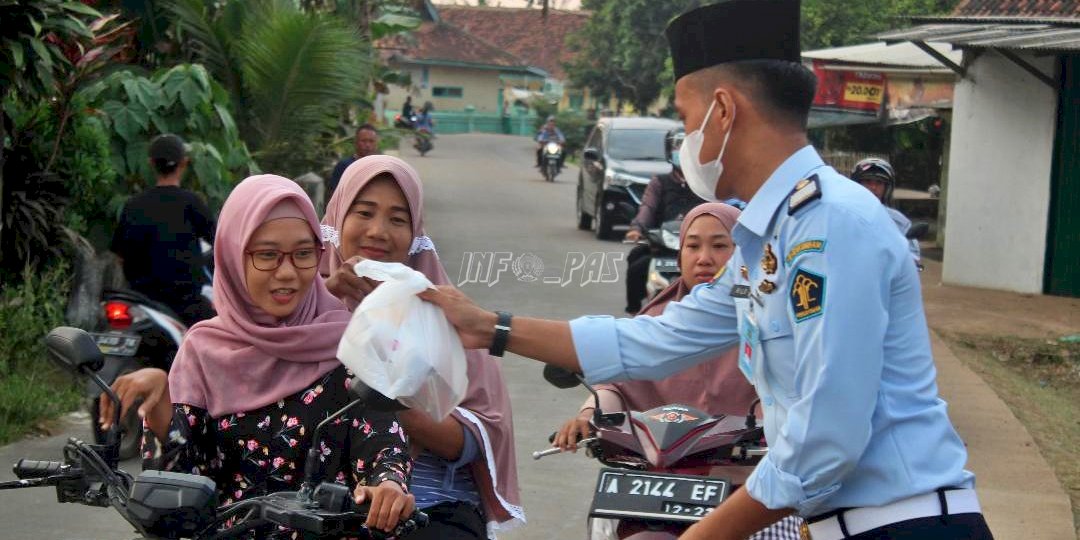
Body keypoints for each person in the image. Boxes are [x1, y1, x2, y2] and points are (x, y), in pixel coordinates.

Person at [419, 1, 993, 539]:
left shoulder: (834, 226)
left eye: (685, 115)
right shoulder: (764, 239)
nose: (684, 136)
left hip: (906, 523)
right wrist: (490, 327)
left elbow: (824, 442)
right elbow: (656, 338)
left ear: (723, 110)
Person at [101, 175, 414, 538]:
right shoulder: (201, 351)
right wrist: (160, 406)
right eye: (266, 255)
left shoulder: (352, 342)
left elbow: (383, 442)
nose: (287, 273)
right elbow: (174, 483)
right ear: (233, 256)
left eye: (302, 253)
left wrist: (389, 487)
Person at [556, 202, 803, 540]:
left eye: (720, 246)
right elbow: (615, 385)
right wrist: (588, 416)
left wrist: (765, 425)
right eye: (693, 245)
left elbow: (774, 391)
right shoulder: (655, 319)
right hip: (651, 485)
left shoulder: (763, 321)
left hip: (747, 488)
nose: (704, 258)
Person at [321, 156, 524, 539]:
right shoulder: (301, 307)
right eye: (364, 213)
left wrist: (387, 393)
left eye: (398, 220)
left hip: (429, 510)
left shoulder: (443, 315)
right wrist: (326, 304)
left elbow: (470, 443)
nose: (378, 231)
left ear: (415, 233)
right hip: (317, 510)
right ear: (337, 218)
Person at [111, 133, 215, 327]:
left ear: (151, 163)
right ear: (184, 163)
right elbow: (219, 242)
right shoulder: (193, 203)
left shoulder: (133, 205)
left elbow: (119, 256)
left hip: (141, 301)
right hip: (185, 302)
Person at [624, 126, 706, 313]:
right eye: (678, 146)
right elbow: (647, 208)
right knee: (636, 263)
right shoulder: (659, 182)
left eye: (687, 147)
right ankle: (634, 311)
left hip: (699, 244)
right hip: (663, 244)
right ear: (669, 151)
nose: (682, 151)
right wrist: (637, 228)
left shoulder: (707, 185)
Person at [850, 157, 922, 264]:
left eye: (879, 182)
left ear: (887, 188)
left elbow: (913, 255)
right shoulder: (843, 215)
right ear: (857, 184)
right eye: (868, 181)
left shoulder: (899, 221)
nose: (873, 187)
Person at [328, 124, 380, 202]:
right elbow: (334, 195)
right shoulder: (344, 166)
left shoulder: (380, 167)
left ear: (376, 144)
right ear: (356, 142)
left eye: (371, 141)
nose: (368, 145)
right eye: (364, 141)